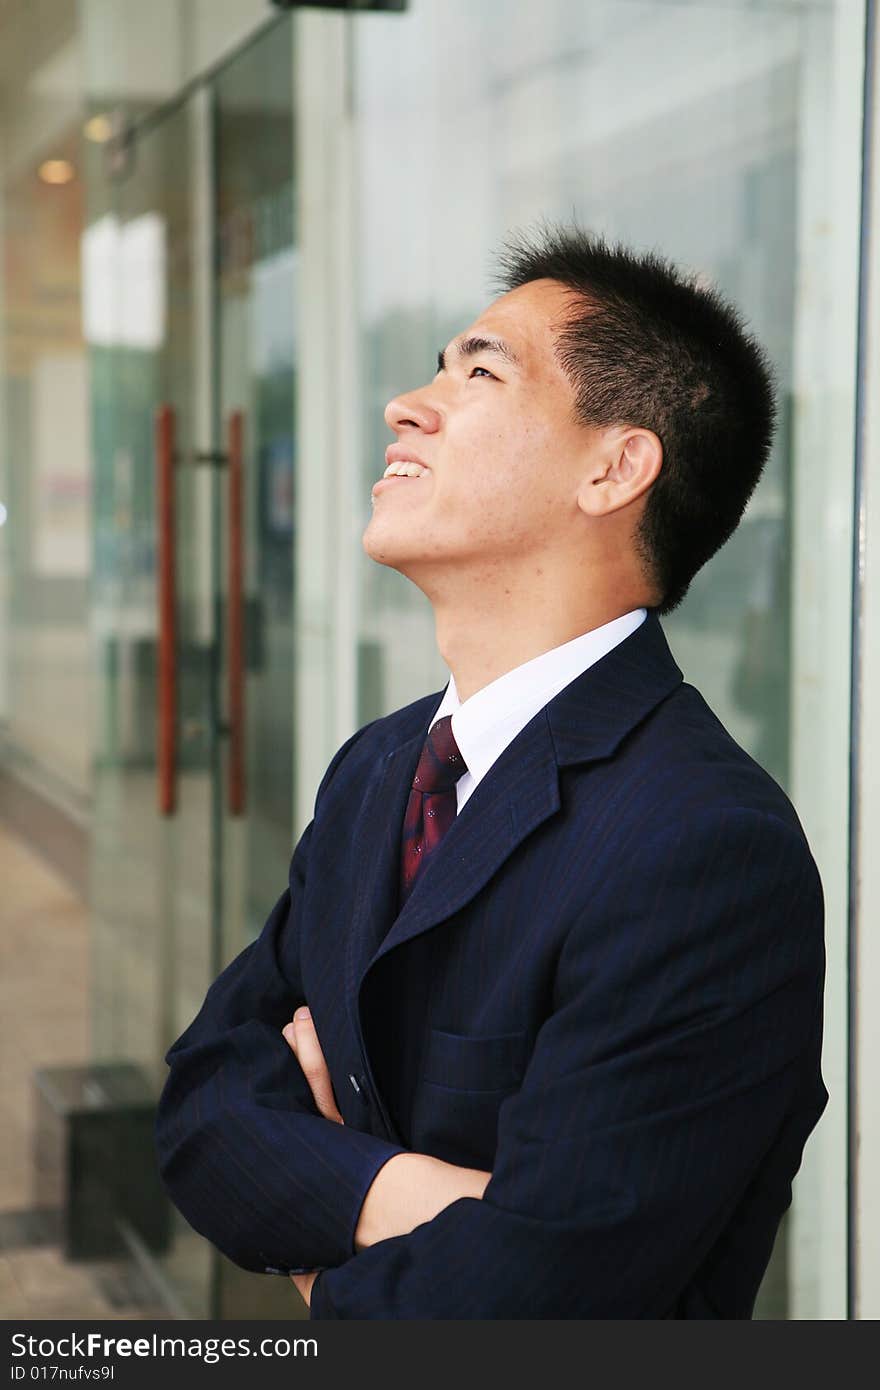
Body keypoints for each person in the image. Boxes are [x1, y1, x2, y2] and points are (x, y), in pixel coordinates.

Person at [155, 222, 827, 1319]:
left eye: (478, 369)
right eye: (436, 366)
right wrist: (415, 1193)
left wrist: (324, 1249)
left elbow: (537, 1293)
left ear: (614, 467)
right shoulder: (380, 768)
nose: (407, 405)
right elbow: (202, 1108)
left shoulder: (703, 845)